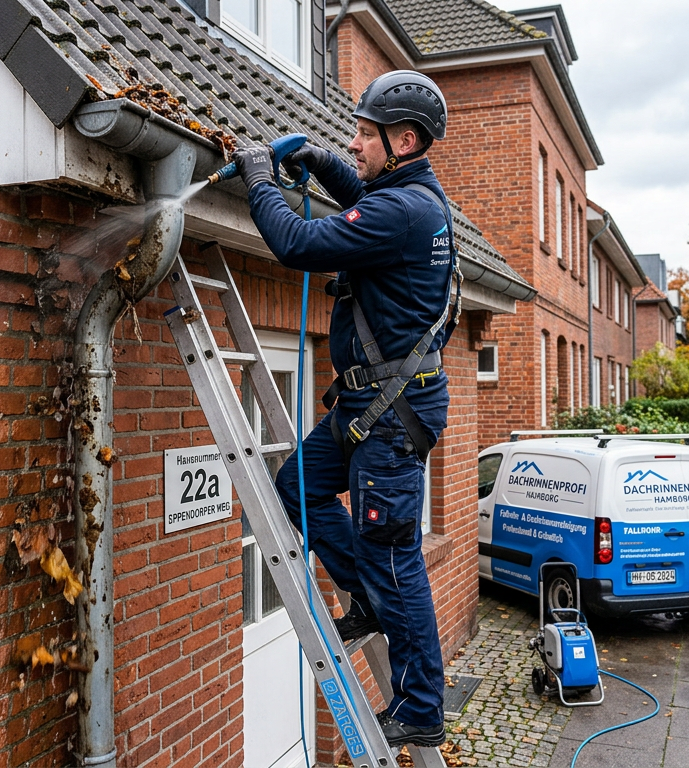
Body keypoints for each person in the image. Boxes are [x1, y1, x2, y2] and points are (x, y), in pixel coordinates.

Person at [231, 70, 455, 747]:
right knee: (296, 486)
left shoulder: (404, 212)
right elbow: (364, 197)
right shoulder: (409, 198)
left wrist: (261, 180)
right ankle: (363, 595)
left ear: (405, 139)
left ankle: (420, 706)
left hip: (390, 416)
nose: (354, 143)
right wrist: (325, 164)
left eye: (363, 134)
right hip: (367, 405)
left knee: (395, 556)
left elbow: (297, 244)